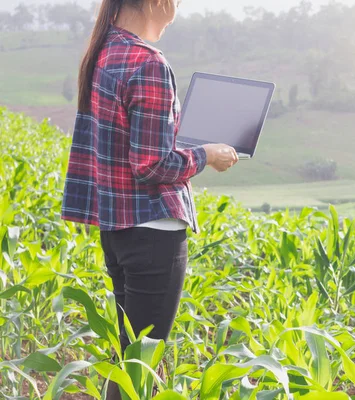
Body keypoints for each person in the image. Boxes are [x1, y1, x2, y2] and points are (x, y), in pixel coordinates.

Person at [60, 0, 239, 397]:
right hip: (154, 232)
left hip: (117, 230)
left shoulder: (103, 50)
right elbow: (151, 164)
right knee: (140, 368)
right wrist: (205, 155)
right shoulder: (148, 63)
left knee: (128, 361)